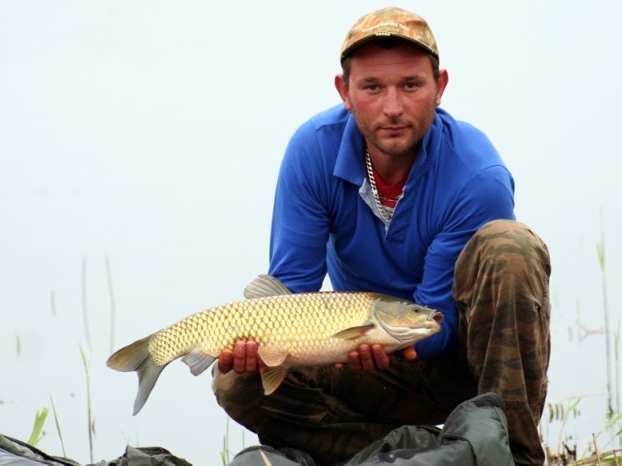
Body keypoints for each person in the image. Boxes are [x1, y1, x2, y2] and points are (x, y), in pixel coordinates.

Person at [213, 6, 551, 466]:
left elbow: (439, 326)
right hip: (361, 356)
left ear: (440, 87)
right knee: (238, 381)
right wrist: (269, 346)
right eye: (372, 87)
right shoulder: (312, 150)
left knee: (510, 247)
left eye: (411, 85)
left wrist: (379, 340)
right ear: (345, 91)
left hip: (463, 364)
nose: (393, 108)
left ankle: (509, 455)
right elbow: (291, 293)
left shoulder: (477, 175)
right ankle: (412, 455)